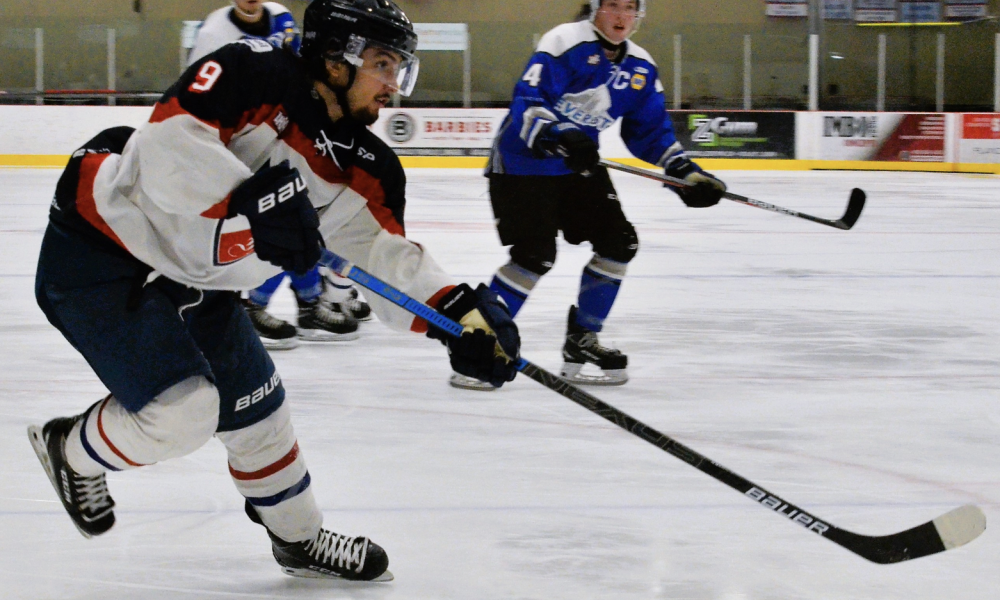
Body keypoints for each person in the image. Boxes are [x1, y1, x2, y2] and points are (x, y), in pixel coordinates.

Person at [28, 0, 518, 582]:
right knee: (185, 413)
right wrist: (251, 199)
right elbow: (164, 151)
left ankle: (300, 540)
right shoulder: (250, 71)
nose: (395, 85)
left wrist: (457, 315)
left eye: (399, 69)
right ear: (339, 57)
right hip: (105, 249)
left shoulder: (368, 168)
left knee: (260, 418)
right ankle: (71, 449)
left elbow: (385, 257)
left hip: (201, 280)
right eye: (384, 64)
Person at [456, 0, 725, 390]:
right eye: (612, 5)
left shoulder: (641, 67)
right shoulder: (565, 42)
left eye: (629, 8)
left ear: (639, 14)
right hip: (522, 163)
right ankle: (478, 349)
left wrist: (684, 173)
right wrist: (559, 134)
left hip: (576, 167)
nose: (620, 16)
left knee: (619, 242)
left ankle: (582, 340)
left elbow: (650, 132)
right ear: (596, 9)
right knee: (534, 256)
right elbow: (527, 102)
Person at [189, 0, 372, 350]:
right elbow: (199, 94)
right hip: (240, 140)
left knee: (300, 216)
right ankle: (251, 305)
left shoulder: (282, 15)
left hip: (281, 128)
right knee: (269, 226)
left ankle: (306, 301)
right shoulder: (214, 33)